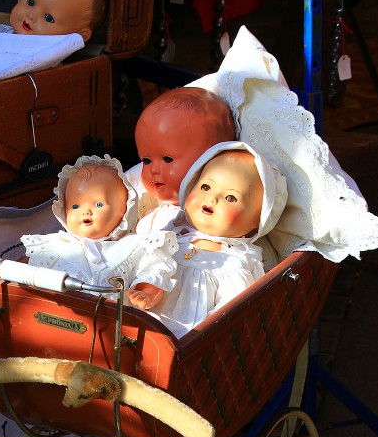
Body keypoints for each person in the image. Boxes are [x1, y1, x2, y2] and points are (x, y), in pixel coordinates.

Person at [149, 141, 288, 339]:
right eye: (205, 186)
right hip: (138, 327)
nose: (212, 198)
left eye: (231, 198)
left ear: (257, 221)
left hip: (185, 344)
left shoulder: (234, 264)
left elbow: (229, 317)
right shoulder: (169, 232)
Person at [21, 154, 178, 310]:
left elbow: (152, 271)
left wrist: (146, 293)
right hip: (60, 322)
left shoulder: (134, 246)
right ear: (64, 209)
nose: (86, 211)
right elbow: (26, 273)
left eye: (98, 204)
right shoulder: (53, 246)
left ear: (123, 209)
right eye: (75, 206)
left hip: (115, 327)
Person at [131, 86, 236, 232]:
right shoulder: (146, 212)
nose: (154, 169)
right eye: (146, 161)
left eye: (167, 159)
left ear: (213, 159)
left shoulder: (216, 217)